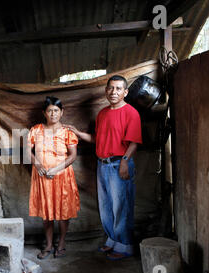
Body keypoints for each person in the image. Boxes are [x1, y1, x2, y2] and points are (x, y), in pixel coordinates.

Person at [64, 75, 142, 260]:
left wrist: (124, 161)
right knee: (106, 205)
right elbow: (97, 139)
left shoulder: (131, 113)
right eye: (110, 88)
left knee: (121, 206)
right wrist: (78, 133)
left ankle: (125, 245)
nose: (113, 92)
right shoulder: (103, 113)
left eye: (118, 89)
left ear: (125, 92)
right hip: (102, 164)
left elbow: (134, 143)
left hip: (119, 163)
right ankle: (113, 239)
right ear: (106, 91)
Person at [27, 96, 80, 259]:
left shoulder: (67, 132)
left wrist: (56, 169)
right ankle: (49, 244)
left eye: (56, 110)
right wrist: (37, 164)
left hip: (62, 176)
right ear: (44, 113)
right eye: (49, 111)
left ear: (62, 112)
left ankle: (61, 243)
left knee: (63, 212)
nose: (53, 114)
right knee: (47, 213)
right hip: (42, 177)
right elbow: (27, 151)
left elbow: (72, 156)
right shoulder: (35, 130)